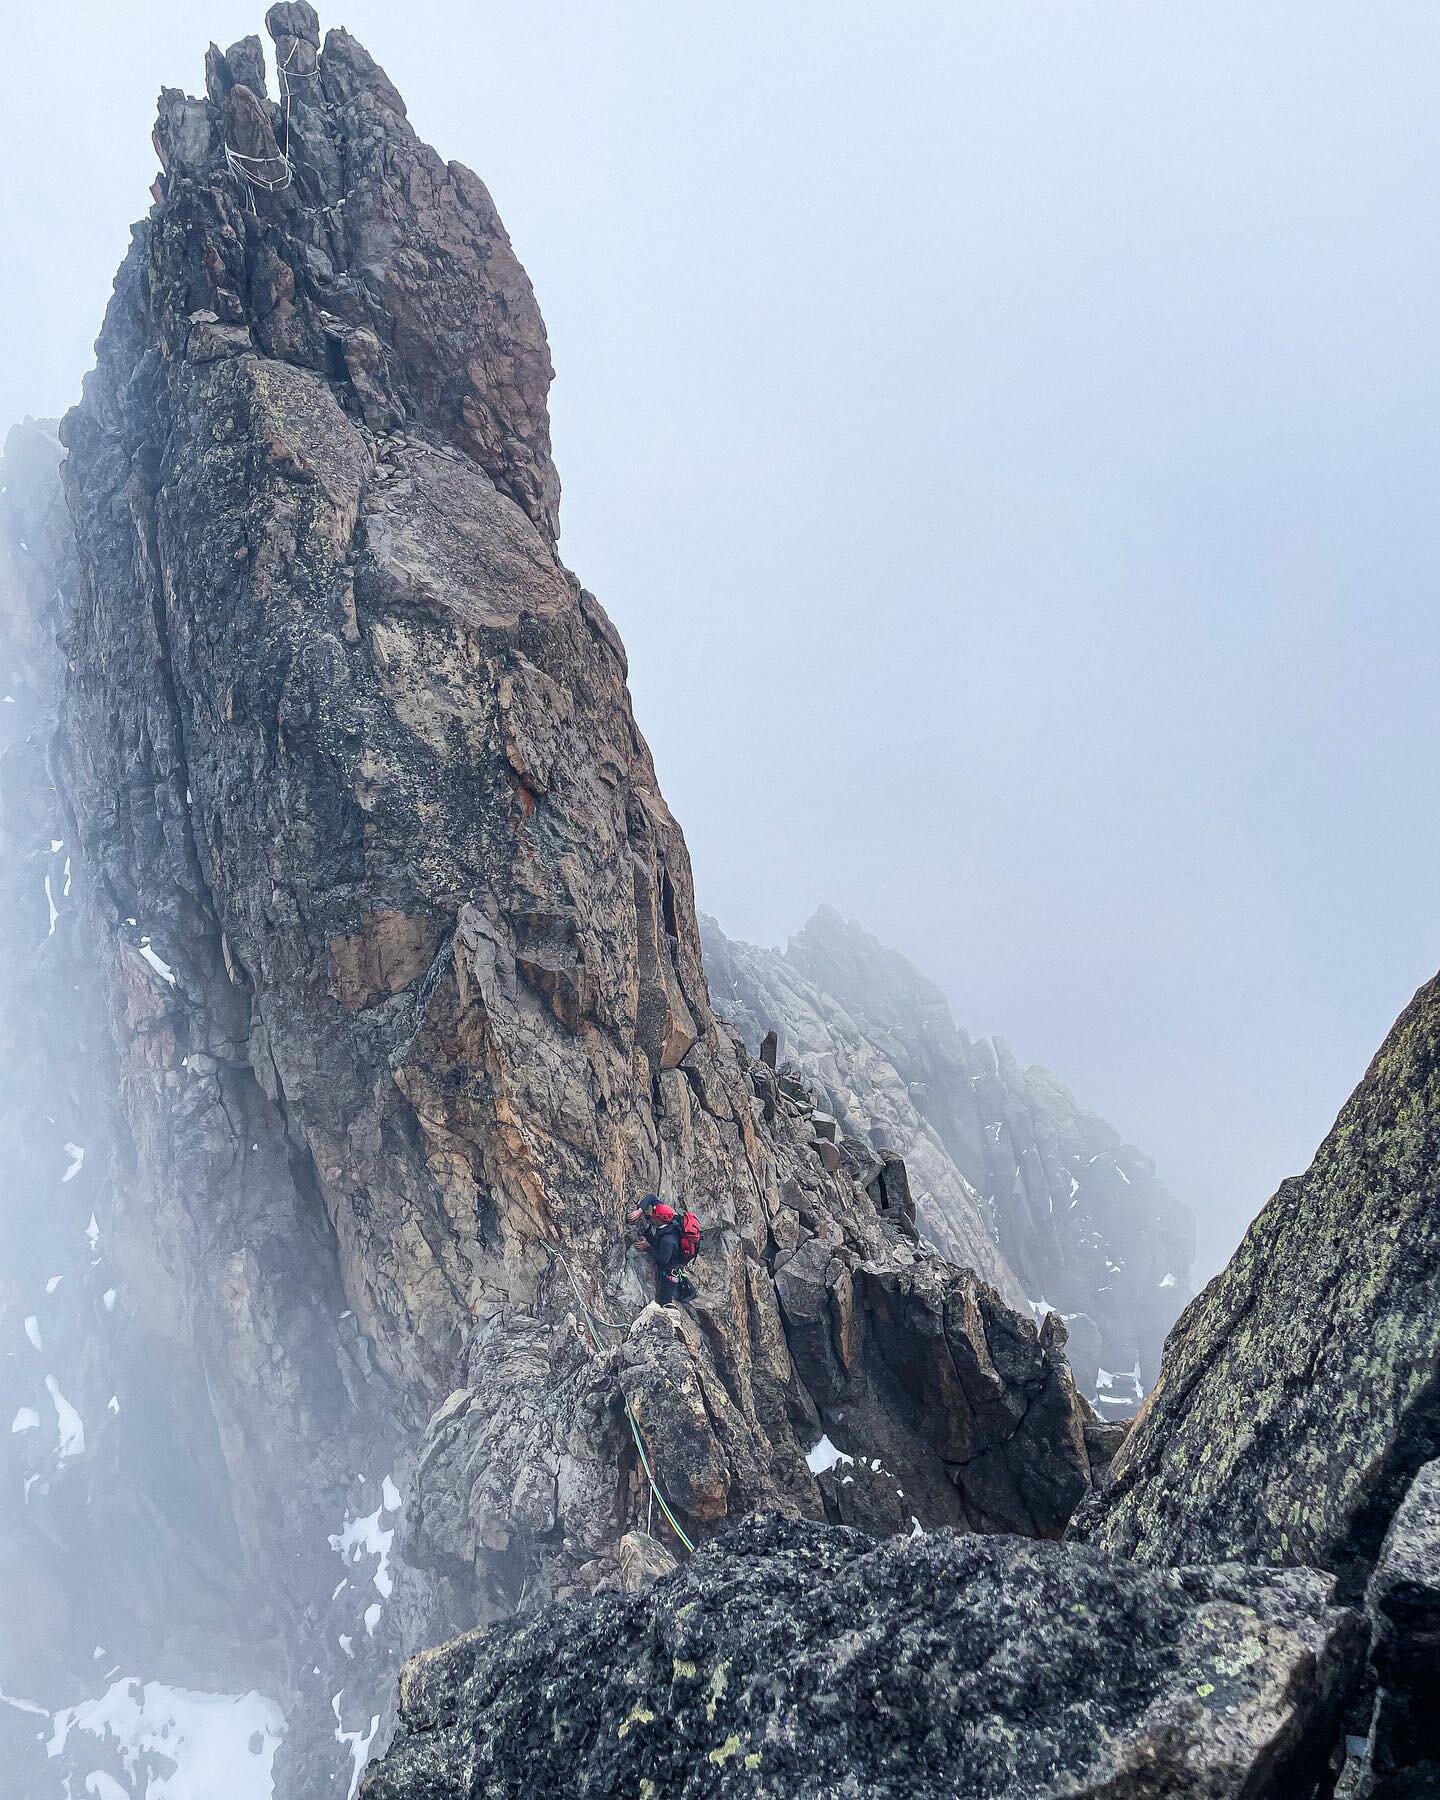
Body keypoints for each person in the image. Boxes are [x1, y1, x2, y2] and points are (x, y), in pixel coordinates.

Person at [628, 1195, 693, 1305]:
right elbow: (651, 1198)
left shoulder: (668, 1240)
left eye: (654, 1215)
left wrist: (647, 1247)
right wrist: (640, 1210)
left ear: (659, 1220)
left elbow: (663, 1260)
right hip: (671, 1250)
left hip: (671, 1269)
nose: (652, 1215)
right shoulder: (669, 1217)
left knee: (664, 1301)